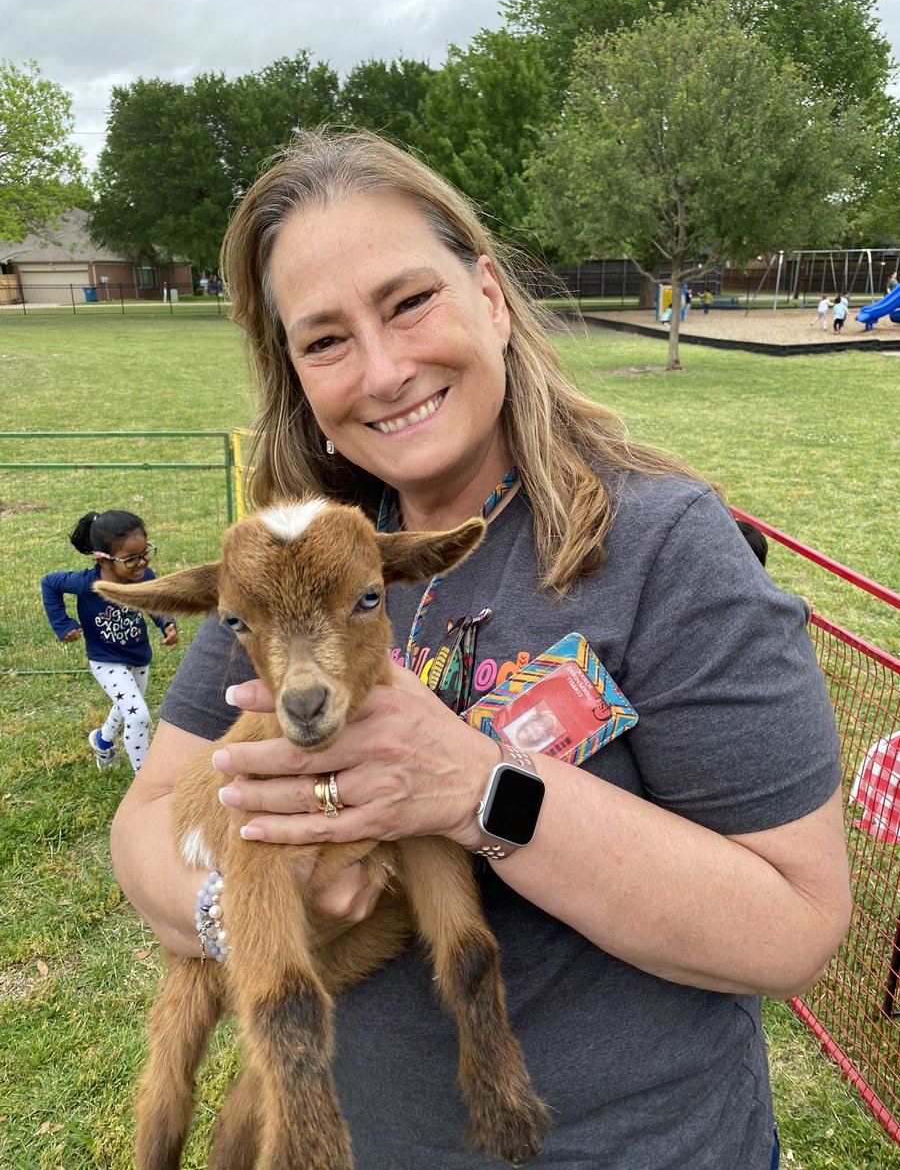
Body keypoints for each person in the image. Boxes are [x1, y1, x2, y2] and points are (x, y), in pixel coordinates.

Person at [110, 129, 850, 1170]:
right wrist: (239, 915)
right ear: (297, 376)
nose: (383, 369)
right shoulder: (290, 558)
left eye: (409, 302)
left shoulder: (667, 551)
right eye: (324, 341)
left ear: (492, 299)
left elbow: (796, 926)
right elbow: (145, 824)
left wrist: (474, 789)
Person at [41, 510, 178, 773]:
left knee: (126, 703)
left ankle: (102, 741)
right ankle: (145, 782)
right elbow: (50, 583)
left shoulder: (144, 577)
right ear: (103, 559)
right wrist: (63, 625)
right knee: (138, 716)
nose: (141, 563)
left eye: (145, 553)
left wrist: (167, 623)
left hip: (138, 656)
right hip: (105, 659)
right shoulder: (86, 582)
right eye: (130, 559)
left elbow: (155, 602)